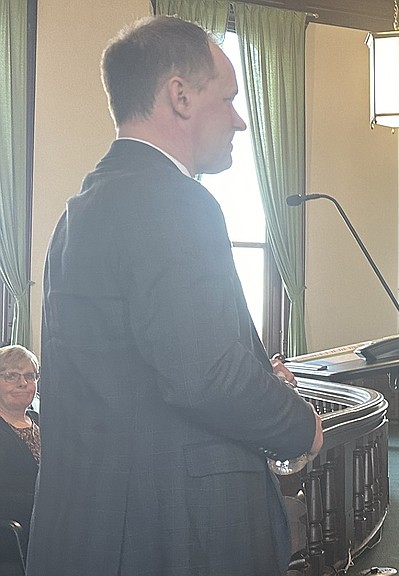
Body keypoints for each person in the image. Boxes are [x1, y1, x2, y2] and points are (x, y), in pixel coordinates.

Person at [27, 16, 322, 576]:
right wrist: (299, 423)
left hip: (95, 527)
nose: (239, 120)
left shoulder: (82, 210)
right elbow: (207, 375)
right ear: (180, 96)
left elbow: (133, 373)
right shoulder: (174, 201)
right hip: (172, 535)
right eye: (229, 97)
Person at [0, 346, 40, 576]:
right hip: (11, 538)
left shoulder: (45, 423)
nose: (22, 383)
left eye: (29, 376)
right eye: (11, 376)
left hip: (51, 528)